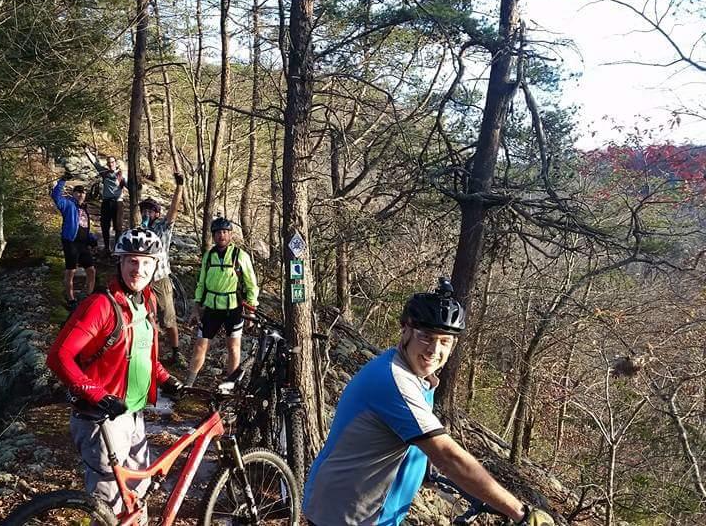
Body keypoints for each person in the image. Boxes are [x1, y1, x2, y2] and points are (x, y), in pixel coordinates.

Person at [303, 278, 555, 526]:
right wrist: (520, 512)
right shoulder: (394, 381)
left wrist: (424, 472)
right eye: (426, 337)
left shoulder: (419, 377)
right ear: (406, 331)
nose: (434, 350)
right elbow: (448, 456)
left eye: (444, 341)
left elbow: (404, 436)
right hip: (344, 515)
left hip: (365, 511)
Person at [46, 228, 184, 518]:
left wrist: (164, 378)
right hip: (101, 419)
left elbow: (143, 352)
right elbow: (59, 356)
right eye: (132, 261)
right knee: (109, 503)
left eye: (147, 262)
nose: (139, 269)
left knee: (140, 489)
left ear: (155, 266)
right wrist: (96, 394)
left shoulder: (147, 302)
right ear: (120, 263)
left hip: (133, 414)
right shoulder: (100, 306)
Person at [184, 217, 259, 387]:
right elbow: (201, 283)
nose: (221, 236)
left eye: (225, 232)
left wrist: (251, 309)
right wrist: (196, 308)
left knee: (233, 348)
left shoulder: (240, 255)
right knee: (200, 346)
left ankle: (229, 386)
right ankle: (188, 384)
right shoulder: (208, 257)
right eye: (218, 232)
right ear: (213, 235)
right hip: (211, 308)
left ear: (231, 235)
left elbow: (251, 284)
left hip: (233, 308)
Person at [139, 171, 186, 367]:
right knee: (145, 318)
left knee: (168, 317)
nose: (146, 213)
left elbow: (173, 212)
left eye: (150, 211)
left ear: (157, 213)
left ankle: (176, 354)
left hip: (160, 279)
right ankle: (148, 354)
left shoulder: (163, 228)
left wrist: (179, 187)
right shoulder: (139, 231)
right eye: (144, 210)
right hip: (142, 281)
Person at [51, 181, 97, 310]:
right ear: (73, 194)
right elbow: (55, 196)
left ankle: (88, 296)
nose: (81, 194)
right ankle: (71, 300)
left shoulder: (84, 209)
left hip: (83, 244)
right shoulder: (68, 204)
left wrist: (91, 238)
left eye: (83, 192)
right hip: (70, 242)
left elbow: (84, 226)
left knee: (91, 270)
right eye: (78, 192)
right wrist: (62, 181)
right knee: (71, 271)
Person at [84, 148, 126, 253]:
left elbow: (131, 186)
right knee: (105, 225)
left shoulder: (122, 174)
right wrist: (87, 151)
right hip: (106, 202)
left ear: (116, 163)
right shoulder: (104, 173)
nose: (110, 164)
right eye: (108, 162)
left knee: (118, 226)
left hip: (118, 203)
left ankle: (117, 248)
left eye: (112, 162)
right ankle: (107, 247)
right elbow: (94, 163)